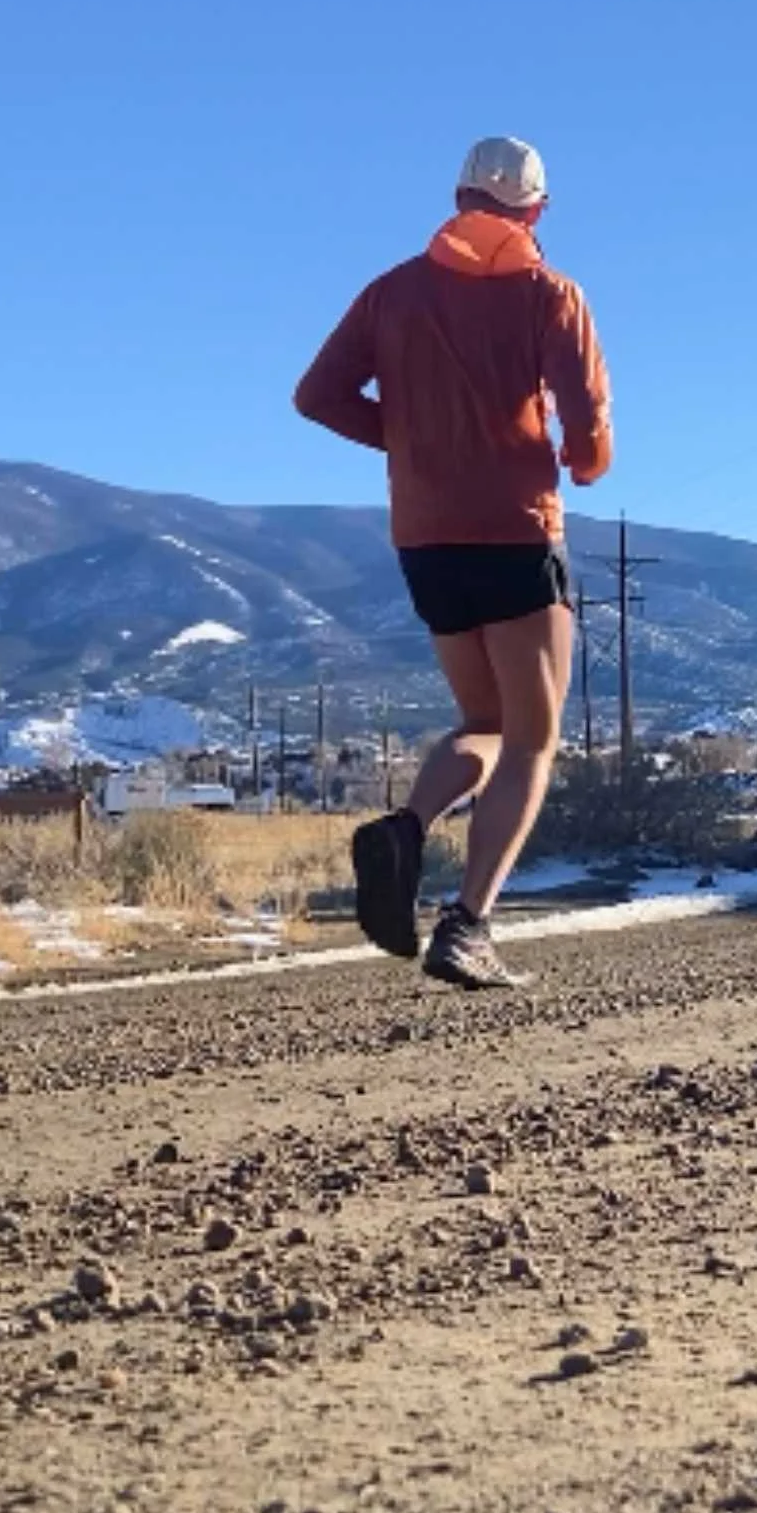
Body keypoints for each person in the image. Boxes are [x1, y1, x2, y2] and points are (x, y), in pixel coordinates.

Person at [294, 135, 611, 989]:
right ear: (536, 212)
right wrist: (583, 464)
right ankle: (468, 926)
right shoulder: (553, 297)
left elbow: (315, 396)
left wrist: (407, 441)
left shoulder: (391, 294)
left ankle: (405, 828)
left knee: (485, 719)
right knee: (535, 741)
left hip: (424, 538)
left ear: (458, 196)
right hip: (515, 532)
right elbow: (586, 435)